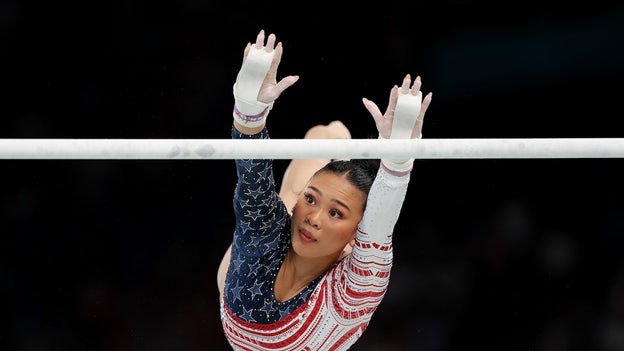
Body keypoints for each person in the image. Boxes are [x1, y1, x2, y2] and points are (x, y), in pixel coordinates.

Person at [217, 29, 432, 351]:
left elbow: (379, 222)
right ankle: (334, 156)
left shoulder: (352, 287)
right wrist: (249, 107)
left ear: (357, 234)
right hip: (264, 260)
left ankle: (337, 154)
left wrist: (398, 160)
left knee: (316, 156)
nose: (314, 218)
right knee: (305, 173)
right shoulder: (269, 230)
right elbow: (252, 172)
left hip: (265, 285)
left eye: (334, 213)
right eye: (313, 201)